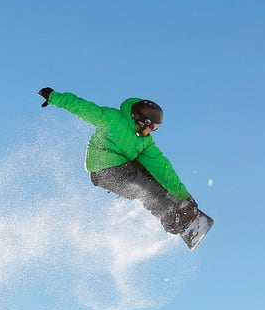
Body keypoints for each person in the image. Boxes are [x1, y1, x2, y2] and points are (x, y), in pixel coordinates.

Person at [37, 88, 199, 237]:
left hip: (123, 165)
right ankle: (172, 219)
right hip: (103, 169)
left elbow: (162, 168)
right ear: (143, 121)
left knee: (154, 177)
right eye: (153, 127)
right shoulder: (113, 119)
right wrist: (54, 97)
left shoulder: (144, 141)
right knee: (145, 189)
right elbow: (83, 107)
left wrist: (184, 195)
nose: (153, 131)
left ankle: (178, 206)